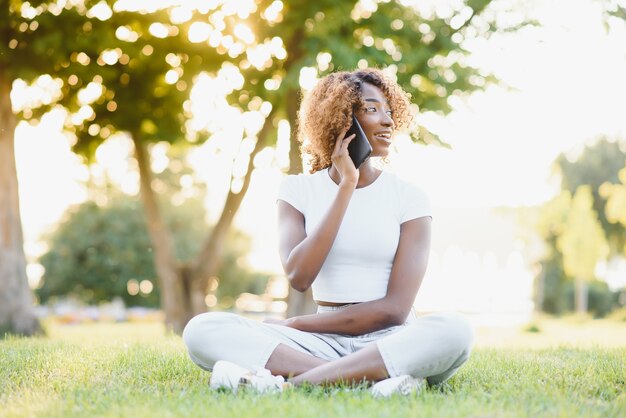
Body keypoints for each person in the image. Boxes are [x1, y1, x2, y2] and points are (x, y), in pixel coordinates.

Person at [183, 68, 474, 397]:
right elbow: (299, 275)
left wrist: (294, 324)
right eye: (372, 109)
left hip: (388, 337)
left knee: (454, 331)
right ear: (341, 118)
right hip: (318, 343)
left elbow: (394, 309)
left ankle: (291, 385)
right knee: (203, 329)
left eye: (390, 110)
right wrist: (346, 187)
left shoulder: (409, 196)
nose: (388, 121)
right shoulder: (297, 190)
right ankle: (374, 381)